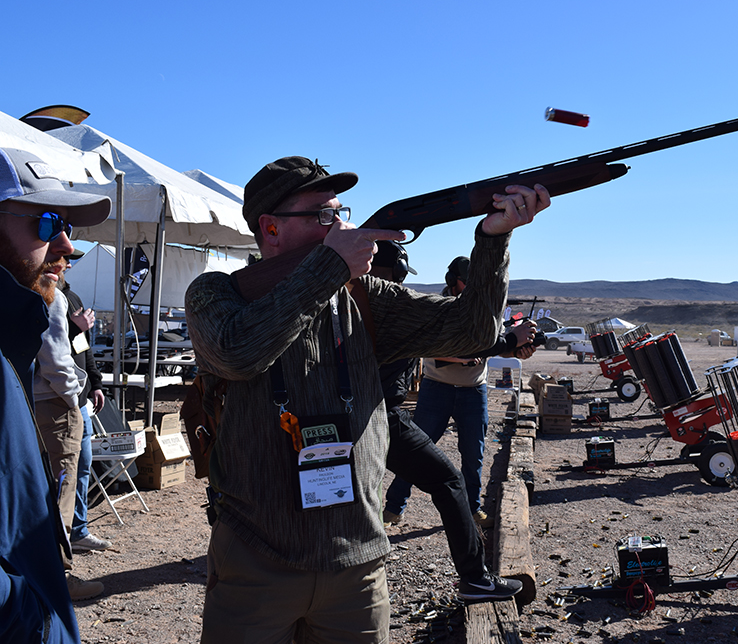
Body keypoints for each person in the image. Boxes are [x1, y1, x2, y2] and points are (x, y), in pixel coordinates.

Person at [185, 155, 549, 643]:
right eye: (321, 216)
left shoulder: (364, 297)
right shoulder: (216, 293)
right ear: (270, 228)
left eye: (340, 212)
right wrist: (328, 267)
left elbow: (473, 331)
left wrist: (493, 237)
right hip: (255, 556)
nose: (340, 225)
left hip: (355, 565)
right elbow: (237, 353)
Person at [0, 146, 111, 640]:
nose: (67, 246)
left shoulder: (13, 339)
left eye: (69, 227)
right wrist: (37, 620)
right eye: (47, 223)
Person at [371, 241, 522, 601]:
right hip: (377, 413)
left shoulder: (355, 302)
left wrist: (506, 343)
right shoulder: (385, 305)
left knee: (456, 471)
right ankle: (474, 579)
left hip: (369, 412)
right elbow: (456, 340)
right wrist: (508, 341)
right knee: (445, 479)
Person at [383, 255, 538, 529]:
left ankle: (471, 510)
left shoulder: (487, 309)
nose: (473, 290)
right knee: (415, 452)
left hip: (472, 392)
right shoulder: (437, 308)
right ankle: (394, 507)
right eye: (468, 283)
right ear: (452, 282)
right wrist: (464, 356)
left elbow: (499, 345)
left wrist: (519, 349)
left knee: (473, 455)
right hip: (436, 389)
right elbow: (430, 347)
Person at [62, 252, 112, 553]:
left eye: (69, 259)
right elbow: (41, 344)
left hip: (79, 400)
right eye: (66, 258)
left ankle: (77, 529)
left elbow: (82, 347)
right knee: (61, 470)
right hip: (54, 400)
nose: (68, 263)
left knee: (82, 465)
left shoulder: (71, 297)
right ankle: (61, 532)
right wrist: (73, 328)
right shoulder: (39, 296)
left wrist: (95, 383)